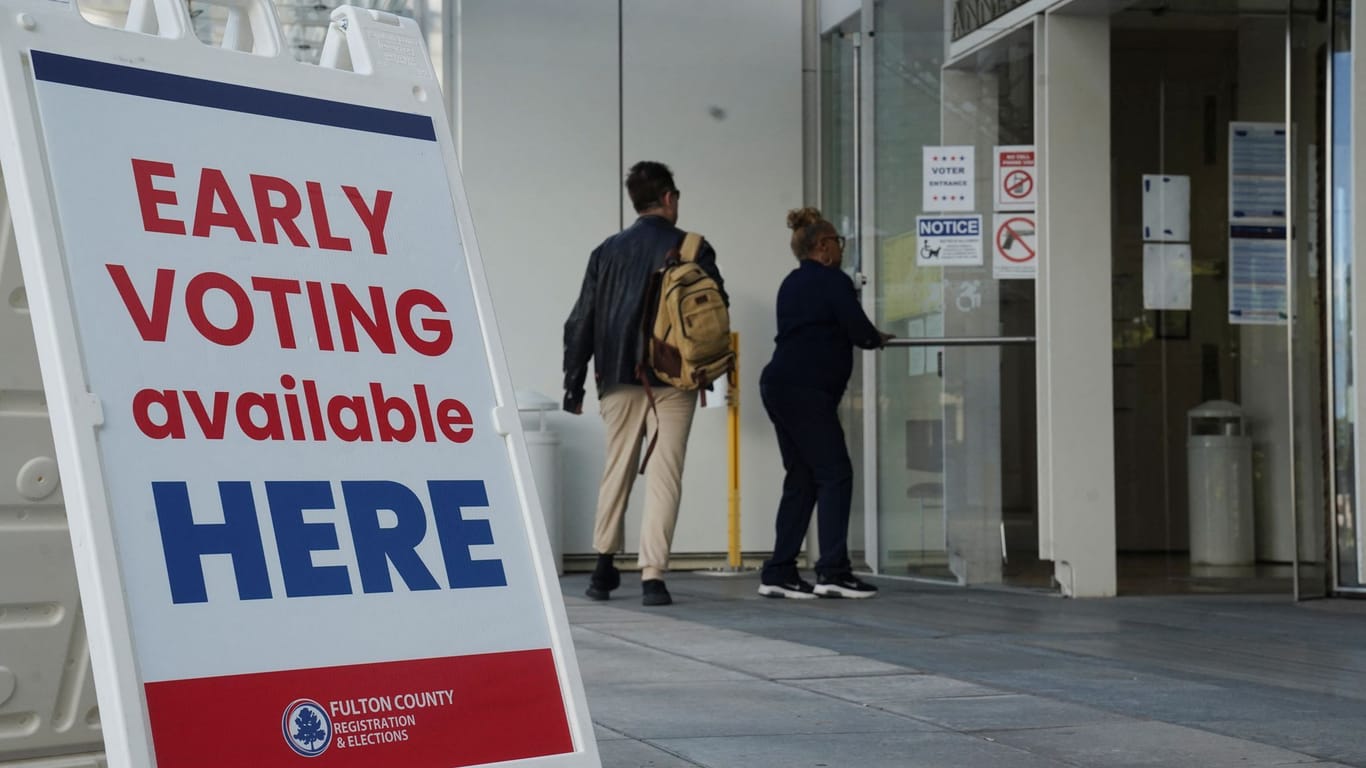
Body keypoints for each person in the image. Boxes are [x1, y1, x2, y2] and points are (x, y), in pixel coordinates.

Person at [563, 161, 726, 607]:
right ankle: (653, 577)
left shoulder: (606, 252)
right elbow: (714, 315)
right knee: (665, 475)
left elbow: (582, 321)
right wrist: (712, 375)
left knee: (616, 467)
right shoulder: (693, 248)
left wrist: (573, 384)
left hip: (617, 375)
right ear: (669, 198)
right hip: (674, 378)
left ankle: (602, 568)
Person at [757, 207, 892, 600]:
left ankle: (779, 572)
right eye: (838, 242)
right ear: (823, 246)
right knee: (835, 473)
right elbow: (858, 330)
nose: (841, 249)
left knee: (801, 478)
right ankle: (833, 571)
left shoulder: (791, 283)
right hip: (806, 391)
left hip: (779, 384)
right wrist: (877, 338)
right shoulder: (833, 281)